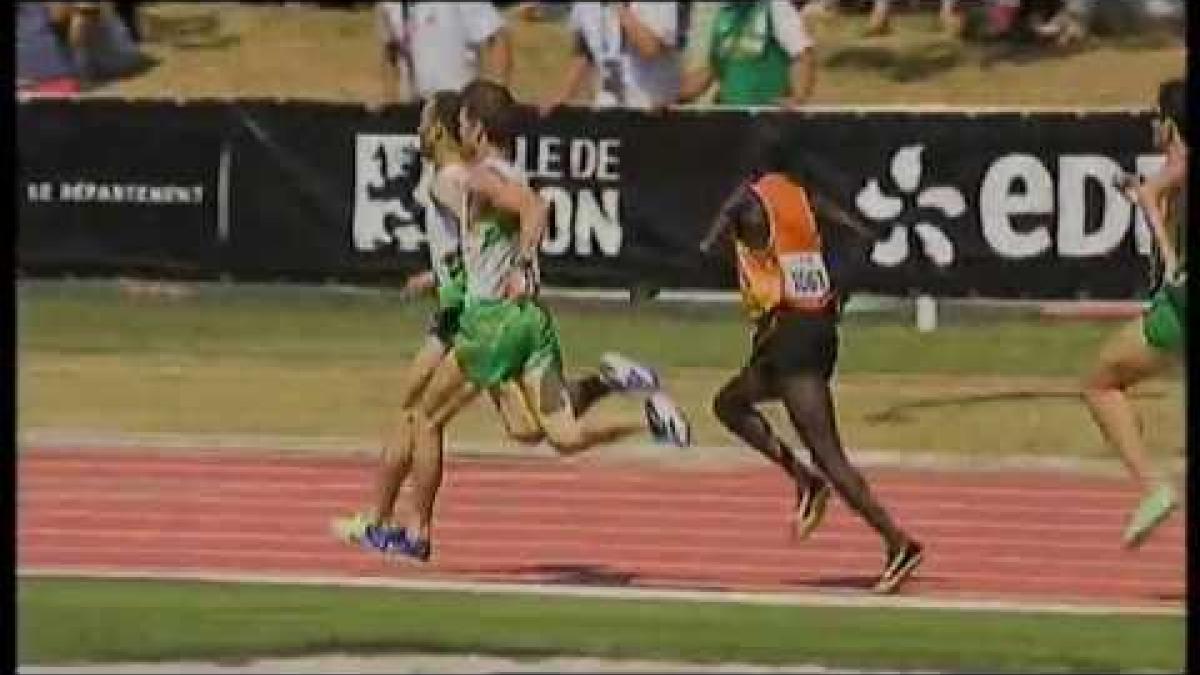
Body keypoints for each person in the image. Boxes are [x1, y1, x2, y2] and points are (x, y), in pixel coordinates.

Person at [333, 85, 680, 559]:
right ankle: (650, 418)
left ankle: (416, 533)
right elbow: (532, 211)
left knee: (423, 417)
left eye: (459, 123)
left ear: (473, 127)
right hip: (528, 322)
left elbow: (532, 209)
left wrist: (520, 264)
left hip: (488, 322)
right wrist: (512, 264)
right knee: (556, 435)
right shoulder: (506, 171)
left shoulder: (471, 178)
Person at [698, 124, 922, 594]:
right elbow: (864, 235)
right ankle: (805, 480)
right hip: (817, 328)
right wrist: (839, 289)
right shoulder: (803, 197)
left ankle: (898, 542)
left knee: (829, 453)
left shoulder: (747, 200)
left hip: (789, 335)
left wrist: (741, 246)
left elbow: (706, 248)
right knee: (729, 405)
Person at [1082, 78, 1186, 549]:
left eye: (1157, 116)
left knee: (1100, 383)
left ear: (1171, 122)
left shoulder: (1182, 158)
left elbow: (1156, 202)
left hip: (1181, 305)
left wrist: (1170, 262)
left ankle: (1154, 487)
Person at [540, 1, 685, 112]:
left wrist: (619, 8)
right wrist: (562, 94)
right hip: (609, 109)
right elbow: (583, 52)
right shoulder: (584, 5)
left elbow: (650, 48)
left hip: (651, 109)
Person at [678, 0, 816, 108]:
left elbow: (802, 55)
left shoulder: (776, 6)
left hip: (768, 119)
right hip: (730, 116)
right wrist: (673, 94)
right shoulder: (724, 14)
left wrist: (798, 97)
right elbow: (712, 69)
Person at [376, 2, 513, 105]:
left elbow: (497, 38)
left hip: (460, 108)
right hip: (414, 110)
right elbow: (390, 55)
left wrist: (497, 96)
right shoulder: (387, 6)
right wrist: (391, 105)